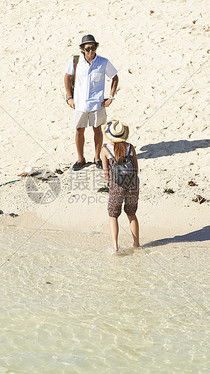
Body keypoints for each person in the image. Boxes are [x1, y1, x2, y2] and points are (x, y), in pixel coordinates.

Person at [64, 34, 119, 171]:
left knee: (97, 130)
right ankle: (80, 159)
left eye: (93, 48)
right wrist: (70, 97)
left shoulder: (103, 62)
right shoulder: (75, 61)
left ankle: (97, 158)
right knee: (79, 130)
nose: (91, 51)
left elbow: (115, 77)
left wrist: (111, 97)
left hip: (97, 103)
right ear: (82, 49)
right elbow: (67, 77)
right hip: (80, 103)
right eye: (88, 48)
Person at [100, 120, 139, 253]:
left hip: (117, 185)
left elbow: (106, 172)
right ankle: (136, 244)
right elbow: (136, 168)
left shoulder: (105, 149)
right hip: (133, 184)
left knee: (113, 215)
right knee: (132, 214)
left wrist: (109, 184)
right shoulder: (130, 147)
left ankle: (115, 246)